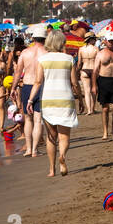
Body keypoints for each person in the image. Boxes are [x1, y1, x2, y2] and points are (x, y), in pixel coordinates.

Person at [34, 30, 78, 177]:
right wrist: (81, 99)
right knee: (64, 136)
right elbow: (74, 83)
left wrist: (29, 100)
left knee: (51, 136)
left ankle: (52, 170)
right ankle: (63, 156)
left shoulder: (43, 59)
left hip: (48, 100)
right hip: (65, 99)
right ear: (62, 43)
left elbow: (38, 81)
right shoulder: (69, 59)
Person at [12, 25, 47, 157]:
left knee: (28, 119)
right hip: (41, 86)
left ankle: (28, 149)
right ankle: (34, 150)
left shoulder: (25, 52)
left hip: (26, 86)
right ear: (45, 39)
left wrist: (13, 88)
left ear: (33, 38)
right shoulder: (47, 53)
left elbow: (18, 72)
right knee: (38, 119)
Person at [92, 32, 113, 139]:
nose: (112, 43)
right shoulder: (100, 54)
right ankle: (105, 131)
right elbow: (95, 71)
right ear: (105, 41)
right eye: (110, 41)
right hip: (103, 81)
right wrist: (94, 85)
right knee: (105, 108)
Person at [77, 35, 99, 115]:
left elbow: (79, 63)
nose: (95, 41)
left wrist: (77, 71)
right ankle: (93, 109)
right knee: (94, 90)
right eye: (94, 39)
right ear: (91, 40)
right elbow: (98, 61)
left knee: (87, 91)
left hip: (84, 69)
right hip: (94, 70)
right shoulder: (96, 49)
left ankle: (89, 110)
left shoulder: (81, 49)